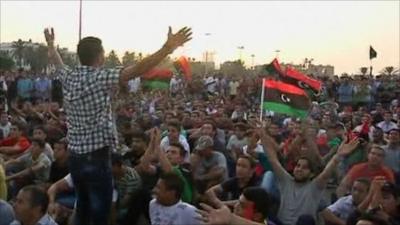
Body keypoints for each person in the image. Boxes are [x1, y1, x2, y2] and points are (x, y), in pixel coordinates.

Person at [44, 25, 191, 225]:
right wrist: (167, 48)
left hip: (76, 158)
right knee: (99, 215)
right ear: (100, 56)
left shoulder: (69, 77)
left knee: (83, 207)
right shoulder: (101, 77)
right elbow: (139, 68)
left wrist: (51, 45)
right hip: (97, 158)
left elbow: (57, 62)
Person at [258, 127, 360, 225]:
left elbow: (326, 173)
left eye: (304, 167)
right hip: (280, 223)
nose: (299, 169)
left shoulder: (315, 186)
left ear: (311, 173)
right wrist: (262, 134)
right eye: (298, 166)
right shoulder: (286, 180)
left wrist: (338, 155)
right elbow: (272, 159)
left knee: (305, 220)